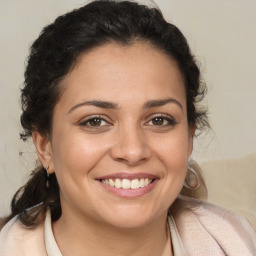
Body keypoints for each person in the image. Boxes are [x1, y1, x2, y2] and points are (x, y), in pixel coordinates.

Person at [0, 0, 255, 255]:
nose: (133, 151)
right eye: (95, 121)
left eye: (159, 120)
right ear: (44, 146)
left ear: (189, 137)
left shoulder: (239, 242)